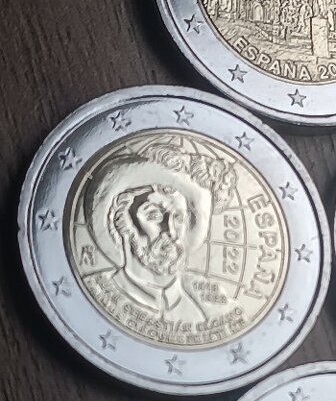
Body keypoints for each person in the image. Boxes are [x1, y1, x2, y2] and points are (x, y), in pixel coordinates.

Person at [81, 134, 237, 326]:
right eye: (154, 216)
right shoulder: (91, 292)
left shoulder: (209, 310)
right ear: (120, 221)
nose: (170, 231)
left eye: (178, 218)